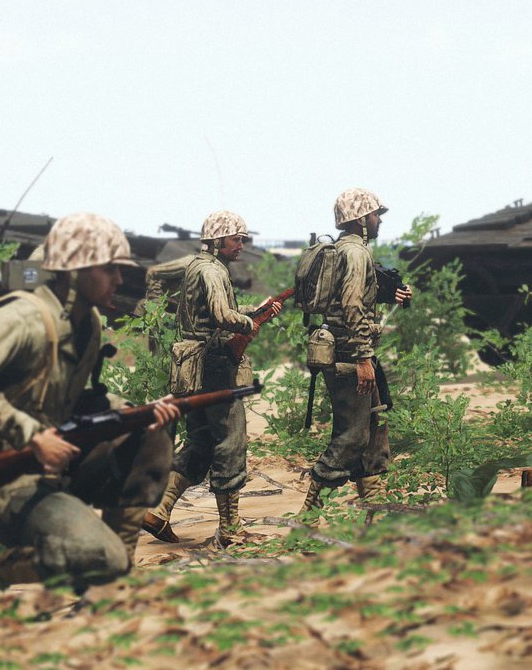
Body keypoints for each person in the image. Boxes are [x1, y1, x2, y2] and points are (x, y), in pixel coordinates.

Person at [0, 213, 180, 588]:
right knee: (101, 558)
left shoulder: (90, 324)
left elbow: (65, 398)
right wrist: (32, 436)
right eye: (109, 269)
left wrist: (129, 413)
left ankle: (114, 579)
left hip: (60, 466)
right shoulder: (25, 317)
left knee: (152, 437)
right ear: (74, 270)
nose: (119, 279)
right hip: (7, 483)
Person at [144, 211, 281, 546]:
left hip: (190, 368)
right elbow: (221, 316)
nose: (242, 245)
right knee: (231, 443)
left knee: (201, 442)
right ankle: (231, 530)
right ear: (218, 240)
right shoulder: (211, 270)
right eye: (236, 239)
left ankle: (158, 513)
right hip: (215, 366)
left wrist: (251, 310)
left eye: (244, 239)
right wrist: (250, 323)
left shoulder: (197, 265)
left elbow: (206, 310)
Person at [300, 188, 413, 514]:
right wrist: (364, 358)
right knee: (352, 437)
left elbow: (351, 298)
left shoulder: (343, 250)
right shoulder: (357, 253)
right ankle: (307, 515)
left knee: (374, 433)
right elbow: (350, 306)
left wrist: (391, 296)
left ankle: (375, 513)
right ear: (362, 219)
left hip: (349, 351)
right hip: (350, 356)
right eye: (376, 215)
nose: (379, 221)